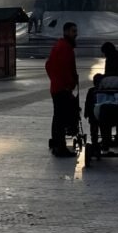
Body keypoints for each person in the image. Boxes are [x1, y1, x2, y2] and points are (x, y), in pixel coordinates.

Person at [45, 21, 79, 158]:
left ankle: (56, 142)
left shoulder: (60, 46)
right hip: (62, 88)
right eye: (73, 31)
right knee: (61, 117)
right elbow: (65, 68)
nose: (75, 34)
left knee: (58, 117)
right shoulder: (65, 48)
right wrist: (68, 84)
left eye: (76, 31)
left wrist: (54, 80)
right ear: (66, 32)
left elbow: (48, 65)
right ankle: (60, 147)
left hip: (57, 87)